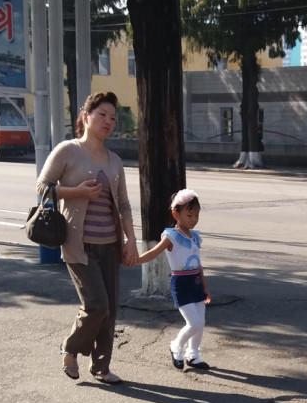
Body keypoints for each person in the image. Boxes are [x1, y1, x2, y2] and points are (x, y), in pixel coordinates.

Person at [37, 91, 139, 383]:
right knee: (97, 305)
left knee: (110, 310)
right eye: (102, 115)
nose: (108, 121)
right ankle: (69, 349)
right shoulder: (68, 151)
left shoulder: (114, 160)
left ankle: (101, 367)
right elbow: (42, 186)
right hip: (78, 245)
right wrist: (77, 192)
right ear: (86, 116)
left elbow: (123, 205)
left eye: (113, 118)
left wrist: (131, 240)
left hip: (110, 245)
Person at [137, 189, 211, 371]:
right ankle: (176, 346)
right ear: (175, 213)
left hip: (196, 283)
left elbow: (198, 264)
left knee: (201, 322)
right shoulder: (171, 236)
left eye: (197, 215)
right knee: (194, 323)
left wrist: (205, 286)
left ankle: (193, 354)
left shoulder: (194, 236)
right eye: (189, 214)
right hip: (181, 284)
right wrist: (135, 260)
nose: (193, 219)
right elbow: (154, 252)